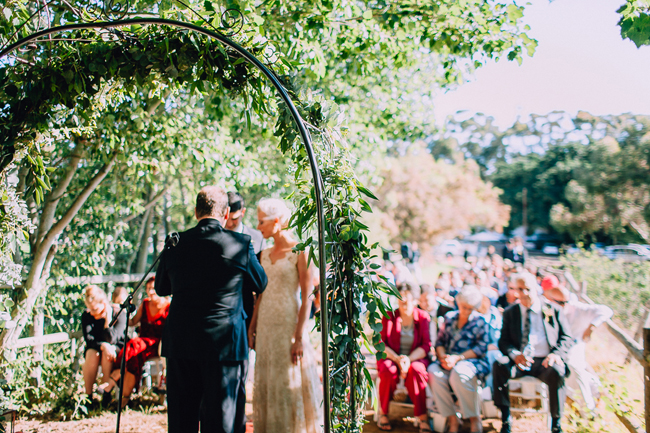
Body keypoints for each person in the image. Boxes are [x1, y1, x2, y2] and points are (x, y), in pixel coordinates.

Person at [156, 186, 268, 433]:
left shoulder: (175, 243)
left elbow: (161, 288)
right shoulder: (240, 244)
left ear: (196, 212)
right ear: (226, 213)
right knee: (220, 422)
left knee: (181, 420)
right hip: (224, 344)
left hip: (182, 342)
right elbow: (260, 283)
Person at [249, 198, 322, 433]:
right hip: (266, 328)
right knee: (269, 381)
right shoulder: (263, 254)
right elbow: (260, 295)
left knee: (288, 381)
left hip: (288, 327)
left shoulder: (301, 251)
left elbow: (308, 296)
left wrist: (298, 337)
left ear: (276, 222)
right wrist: (252, 328)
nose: (258, 227)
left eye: (261, 221)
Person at [493, 273, 574, 433]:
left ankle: (556, 424)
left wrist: (556, 354)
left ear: (535, 289)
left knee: (558, 371)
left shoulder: (552, 309)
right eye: (519, 289)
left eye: (527, 289)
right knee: (499, 365)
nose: (523, 293)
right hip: (520, 361)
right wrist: (514, 354)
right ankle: (506, 419)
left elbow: (567, 337)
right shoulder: (511, 312)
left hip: (545, 362)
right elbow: (503, 341)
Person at [542, 277, 613, 417]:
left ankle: (588, 409)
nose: (565, 305)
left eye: (566, 302)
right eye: (561, 303)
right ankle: (594, 394)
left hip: (574, 349)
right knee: (570, 371)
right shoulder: (547, 309)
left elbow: (606, 310)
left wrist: (591, 327)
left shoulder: (577, 308)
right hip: (556, 350)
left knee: (573, 367)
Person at [226, 191, 267, 433]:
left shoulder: (257, 238)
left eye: (233, 218)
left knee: (243, 373)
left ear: (242, 212)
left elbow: (260, 279)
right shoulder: (218, 232)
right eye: (226, 218)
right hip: (224, 312)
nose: (229, 223)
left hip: (247, 308)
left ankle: (239, 422)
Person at [101, 276, 170, 407]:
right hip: (141, 344)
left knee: (133, 344)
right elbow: (133, 322)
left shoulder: (168, 306)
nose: (151, 292)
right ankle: (124, 399)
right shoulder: (145, 303)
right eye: (148, 289)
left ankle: (114, 377)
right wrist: (121, 312)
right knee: (133, 353)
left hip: (157, 344)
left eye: (154, 289)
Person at [428, 286, 489, 433]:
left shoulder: (480, 321)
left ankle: (474, 418)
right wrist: (443, 357)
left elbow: (481, 348)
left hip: (470, 361)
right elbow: (440, 342)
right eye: (464, 307)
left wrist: (458, 358)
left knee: (459, 373)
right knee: (434, 373)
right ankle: (452, 419)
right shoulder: (449, 317)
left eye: (470, 308)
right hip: (448, 360)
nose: (466, 311)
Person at [376, 282, 431, 432]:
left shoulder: (423, 317)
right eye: (400, 299)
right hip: (392, 357)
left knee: (418, 370)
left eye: (407, 300)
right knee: (387, 370)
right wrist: (397, 359)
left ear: (415, 300)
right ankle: (383, 413)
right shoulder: (389, 316)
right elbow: (381, 343)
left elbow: (426, 345)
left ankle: (422, 416)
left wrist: (408, 360)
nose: (403, 303)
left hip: (415, 357)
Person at [81, 285, 127, 400]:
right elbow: (89, 339)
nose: (92, 313)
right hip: (96, 347)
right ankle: (88, 396)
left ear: (104, 304)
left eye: (95, 309)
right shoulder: (87, 315)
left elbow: (112, 339)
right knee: (92, 354)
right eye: (89, 309)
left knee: (108, 353)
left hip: (115, 347)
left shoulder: (119, 314)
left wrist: (107, 321)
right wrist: (103, 345)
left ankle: (106, 393)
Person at [476, 286, 503, 392]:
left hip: (492, 350)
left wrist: (492, 346)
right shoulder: (473, 314)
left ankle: (490, 391)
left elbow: (497, 337)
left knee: (495, 357)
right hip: (475, 350)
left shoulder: (494, 314)